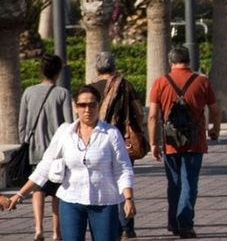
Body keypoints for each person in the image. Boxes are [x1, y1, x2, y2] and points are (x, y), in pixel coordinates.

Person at [10, 85, 135, 241]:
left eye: (92, 104)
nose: (87, 109)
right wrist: (19, 194)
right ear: (76, 107)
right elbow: (44, 167)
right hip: (71, 201)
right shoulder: (65, 132)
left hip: (104, 202)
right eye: (82, 105)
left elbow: (123, 169)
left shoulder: (110, 134)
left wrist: (128, 198)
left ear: (99, 106)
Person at [148, 46, 221, 239]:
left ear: (170, 62)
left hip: (170, 141)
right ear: (189, 61)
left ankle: (173, 222)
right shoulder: (202, 82)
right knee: (189, 183)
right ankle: (186, 225)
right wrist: (215, 129)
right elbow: (215, 110)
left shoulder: (160, 83)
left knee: (174, 182)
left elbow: (154, 116)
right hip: (195, 141)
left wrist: (154, 143)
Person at [17, 54, 73, 241]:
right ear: (58, 71)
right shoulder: (62, 93)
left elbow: (22, 125)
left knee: (38, 189)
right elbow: (69, 123)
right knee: (57, 192)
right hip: (58, 153)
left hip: (35, 150)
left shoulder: (28, 92)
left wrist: (25, 141)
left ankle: (38, 228)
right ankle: (56, 232)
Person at [90, 51, 145, 239]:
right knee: (123, 182)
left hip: (98, 144)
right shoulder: (125, 85)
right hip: (124, 142)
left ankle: (111, 226)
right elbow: (139, 113)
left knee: (105, 184)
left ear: (97, 70)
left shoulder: (90, 90)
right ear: (114, 67)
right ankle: (127, 227)